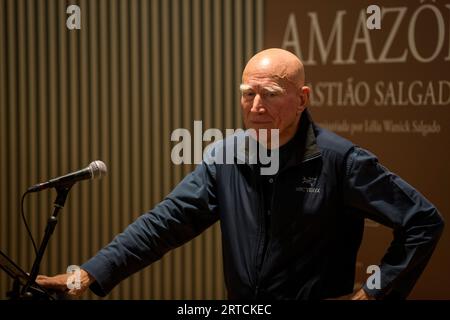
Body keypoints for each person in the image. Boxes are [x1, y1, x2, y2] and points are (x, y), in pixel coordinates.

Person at [37, 48, 444, 300]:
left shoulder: (342, 160)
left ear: (302, 99)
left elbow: (423, 221)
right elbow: (161, 225)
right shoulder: (225, 156)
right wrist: (86, 274)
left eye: (269, 94)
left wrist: (373, 293)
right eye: (247, 93)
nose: (255, 105)